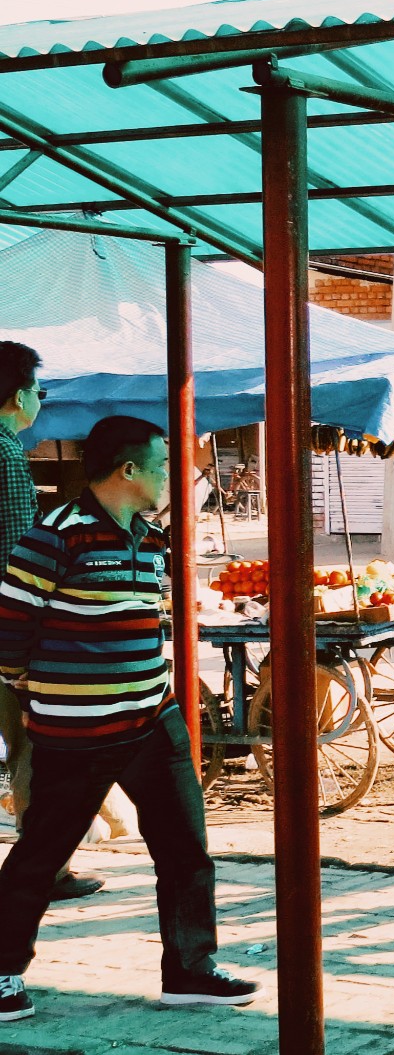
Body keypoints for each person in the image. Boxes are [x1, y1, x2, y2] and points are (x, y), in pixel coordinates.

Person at [0, 416, 260, 1021]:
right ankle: (2, 971)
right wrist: (38, 693)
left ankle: (190, 971)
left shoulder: (149, 538)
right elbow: (9, 631)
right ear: (129, 471)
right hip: (78, 731)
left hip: (152, 719)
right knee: (43, 851)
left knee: (186, 848)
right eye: (165, 464)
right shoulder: (56, 536)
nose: (175, 475)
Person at [0, 342, 104, 905]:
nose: (40, 400)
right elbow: (21, 561)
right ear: (18, 396)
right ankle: (45, 869)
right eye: (38, 390)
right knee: (37, 748)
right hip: (12, 633)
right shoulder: (5, 454)